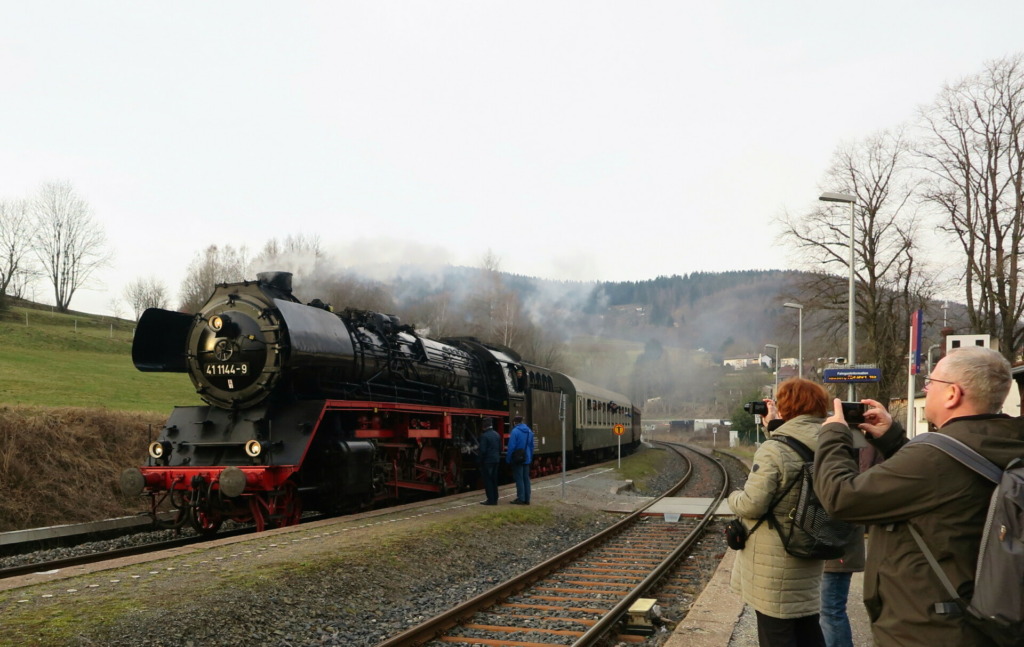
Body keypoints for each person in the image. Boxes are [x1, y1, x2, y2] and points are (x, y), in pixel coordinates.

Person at [814, 345, 1024, 647]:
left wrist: (834, 434)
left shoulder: (934, 459)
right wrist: (892, 439)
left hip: (926, 629)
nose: (926, 388)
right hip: (980, 622)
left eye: (931, 383)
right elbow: (945, 484)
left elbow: (840, 497)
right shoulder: (1002, 441)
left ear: (952, 394)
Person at [728, 378, 831, 647]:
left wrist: (733, 497)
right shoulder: (832, 444)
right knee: (808, 628)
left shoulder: (774, 449)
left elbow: (753, 504)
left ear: (785, 409)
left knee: (777, 632)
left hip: (775, 559)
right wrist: (774, 428)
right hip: (812, 549)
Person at [506, 415, 534, 505]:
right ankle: (527, 499)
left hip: (517, 458)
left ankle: (521, 498)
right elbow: (531, 446)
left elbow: (511, 447)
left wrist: (508, 459)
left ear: (514, 422)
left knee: (519, 478)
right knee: (526, 478)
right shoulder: (529, 431)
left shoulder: (515, 431)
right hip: (527, 457)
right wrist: (530, 456)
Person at [478, 418, 500, 505]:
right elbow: (500, 448)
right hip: (496, 459)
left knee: (488, 481)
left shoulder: (484, 436)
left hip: (488, 461)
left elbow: (482, 450)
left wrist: (479, 460)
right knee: (494, 480)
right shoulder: (497, 435)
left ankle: (490, 500)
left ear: (484, 426)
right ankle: (495, 498)